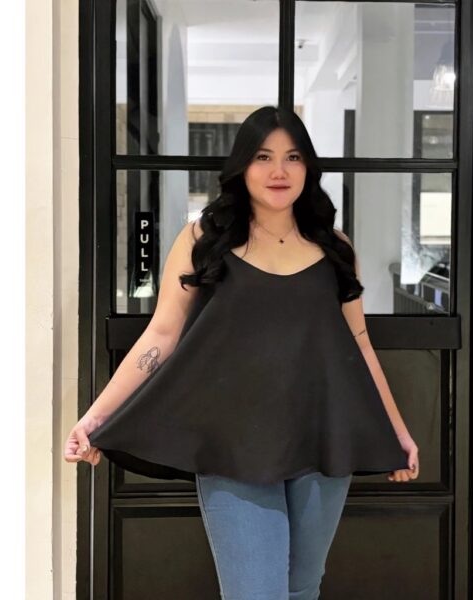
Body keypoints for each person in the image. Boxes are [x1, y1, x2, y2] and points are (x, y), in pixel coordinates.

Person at [64, 105, 419, 599]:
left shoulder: (335, 249)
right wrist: (95, 418)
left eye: (293, 157)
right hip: (233, 446)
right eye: (263, 156)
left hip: (322, 440)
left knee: (302, 588)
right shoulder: (203, 240)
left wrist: (397, 432)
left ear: (307, 167)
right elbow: (161, 334)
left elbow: (359, 344)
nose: (279, 171)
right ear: (242, 166)